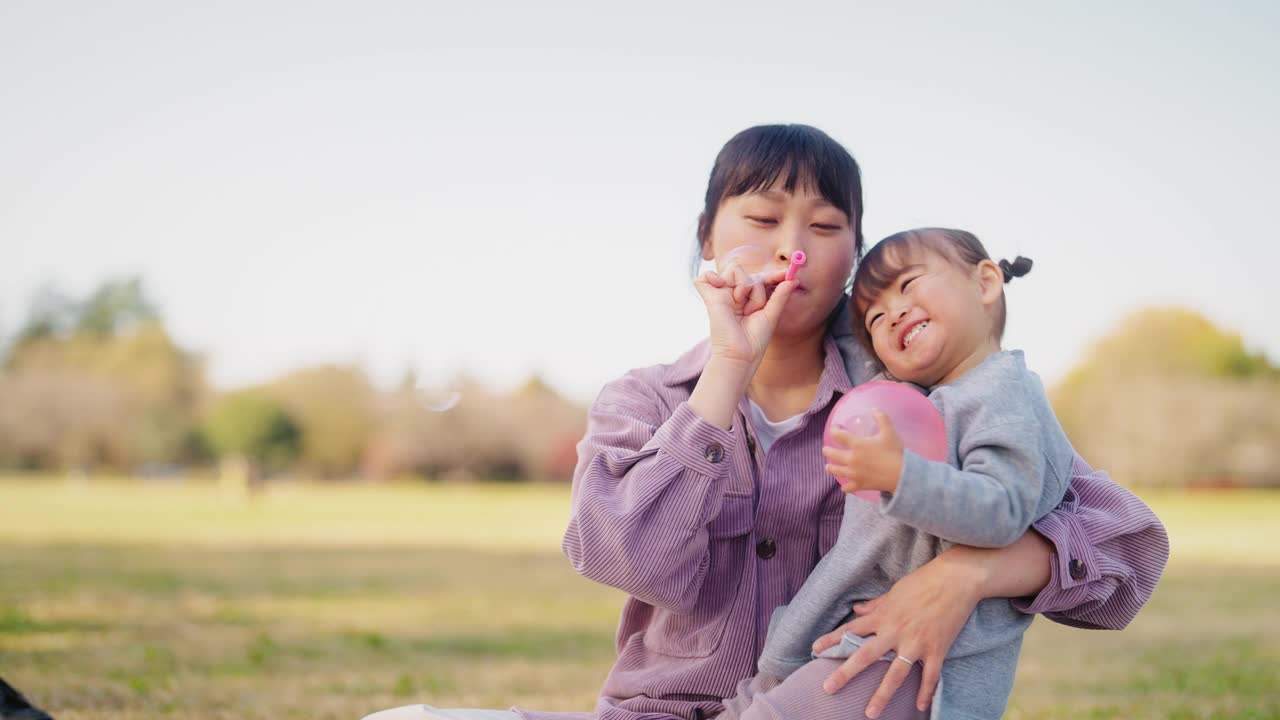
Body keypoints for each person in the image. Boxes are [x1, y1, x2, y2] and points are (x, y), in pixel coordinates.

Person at [360, 124, 1169, 720]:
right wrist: (728, 366)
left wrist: (968, 573)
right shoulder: (642, 401)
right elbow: (625, 557)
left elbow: (1125, 553)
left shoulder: (925, 397)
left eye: (824, 229)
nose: (794, 251)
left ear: (853, 256)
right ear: (707, 239)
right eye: (761, 220)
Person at [723, 228, 1073, 720]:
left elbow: (1004, 511)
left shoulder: (1001, 393)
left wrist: (901, 475)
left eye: (908, 286)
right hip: (850, 637)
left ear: (987, 281)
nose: (895, 314)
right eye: (877, 318)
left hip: (909, 659)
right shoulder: (917, 394)